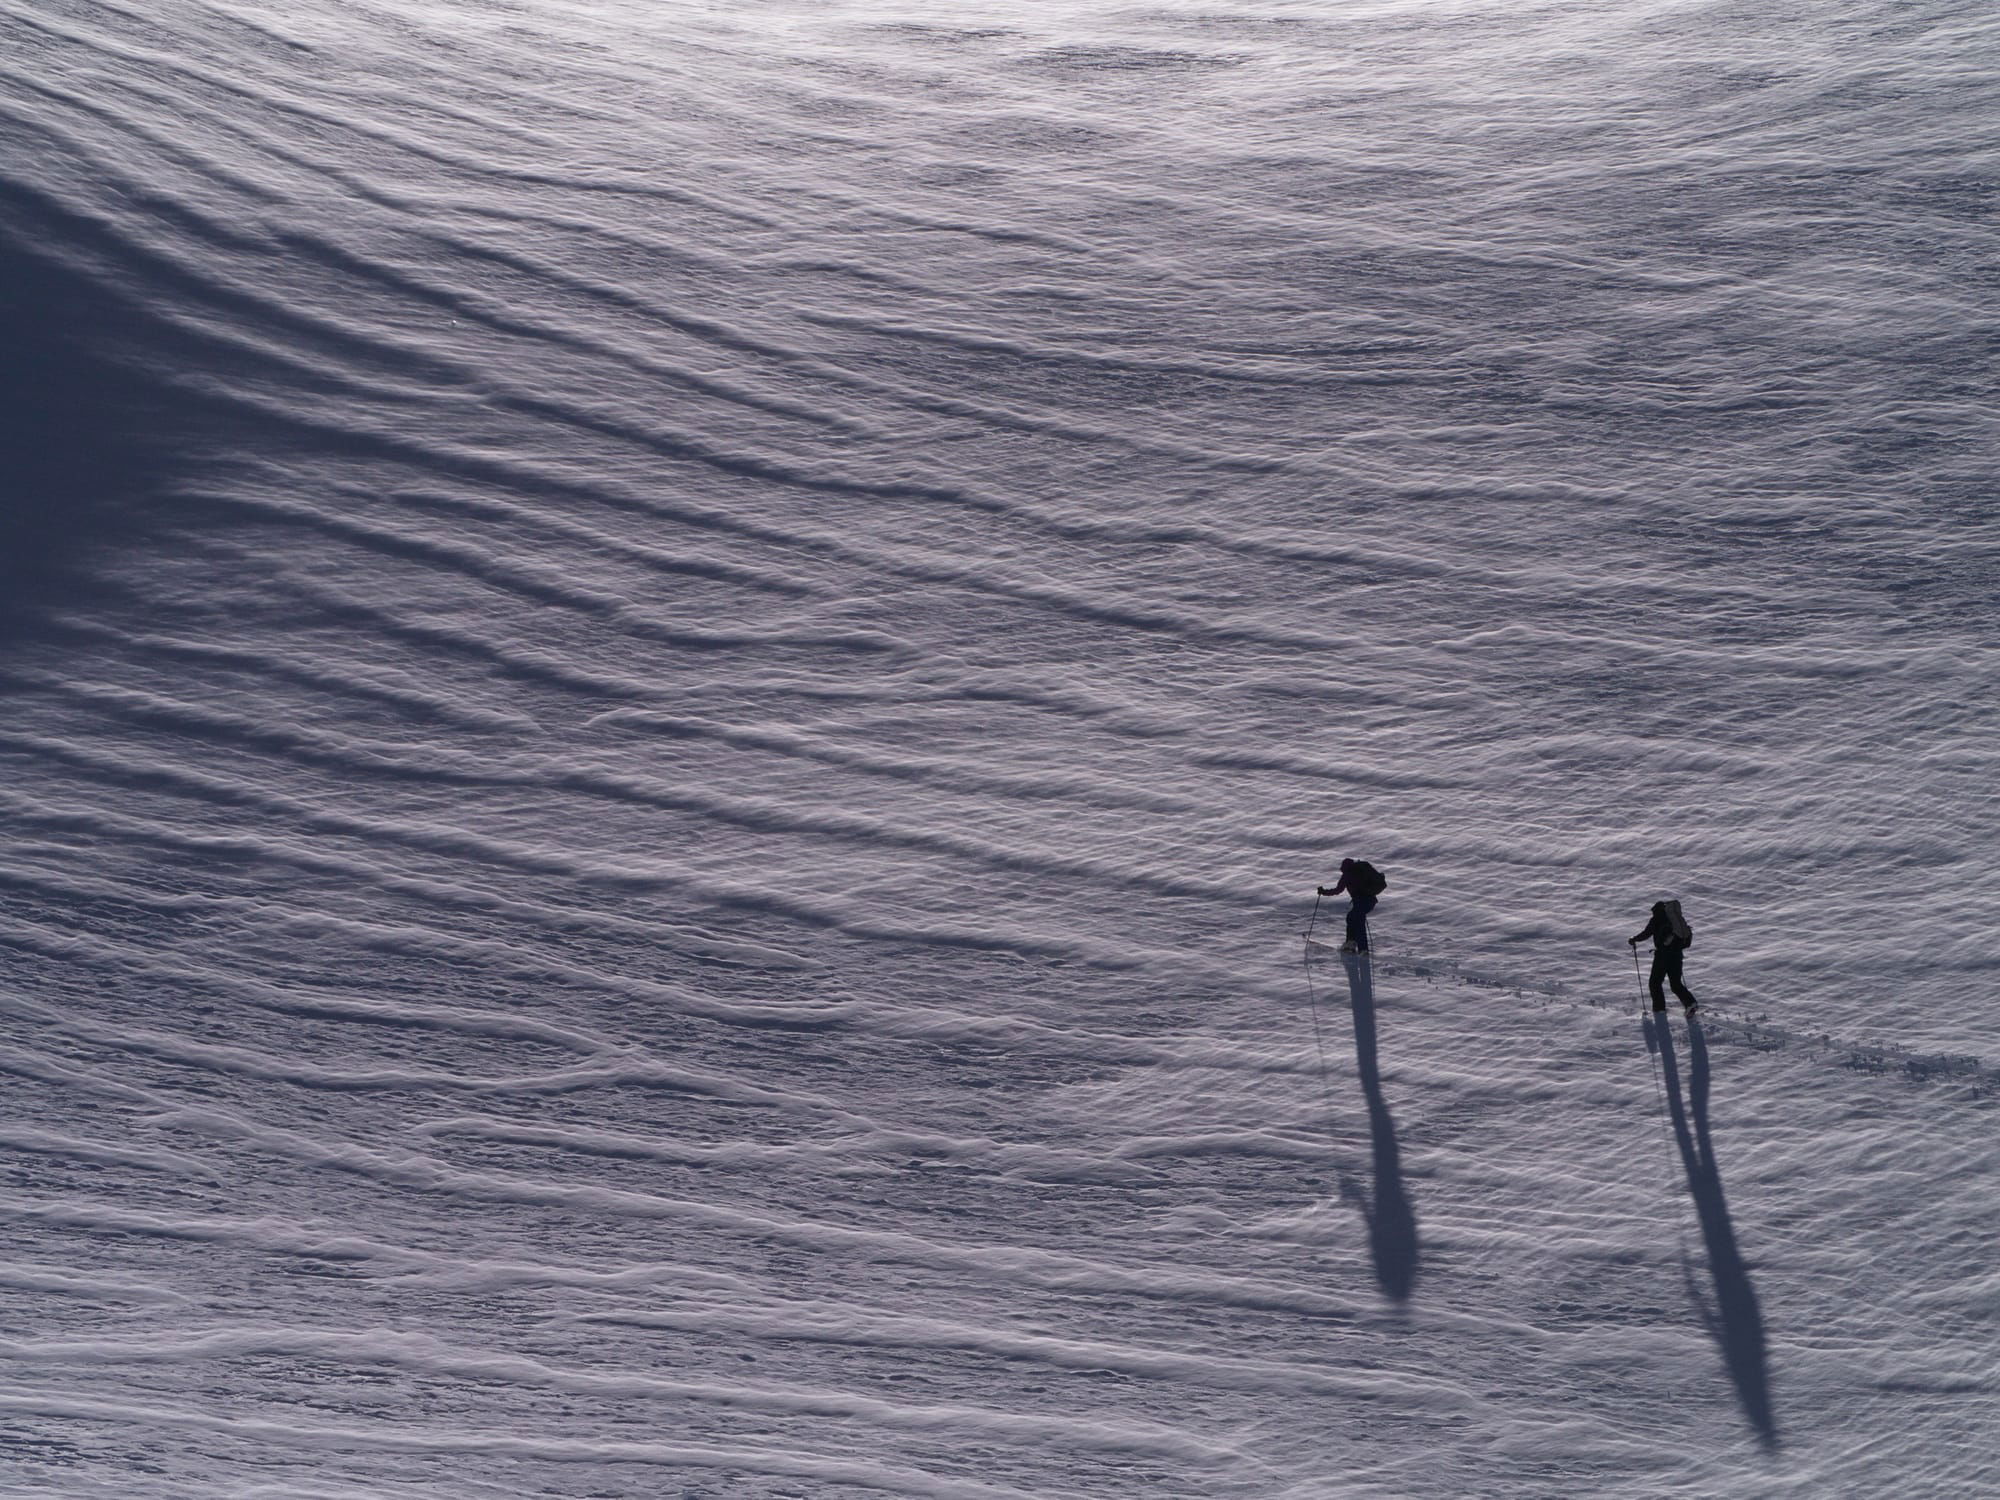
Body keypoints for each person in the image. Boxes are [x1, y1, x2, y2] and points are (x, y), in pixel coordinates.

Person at [1629, 899, 1697, 1013]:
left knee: (1655, 983)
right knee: (1675, 983)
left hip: (1662, 956)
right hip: (1677, 955)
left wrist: (1634, 939)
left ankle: (1659, 1010)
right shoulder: (1675, 920)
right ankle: (1690, 1003)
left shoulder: (1657, 919)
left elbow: (1647, 933)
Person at [1317, 858, 1386, 954]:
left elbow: (1338, 890)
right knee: (1352, 918)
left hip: (1360, 901)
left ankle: (1359, 948)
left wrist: (1323, 892)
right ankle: (1353, 945)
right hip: (1370, 901)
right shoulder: (1361, 870)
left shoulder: (1347, 874)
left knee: (1357, 921)